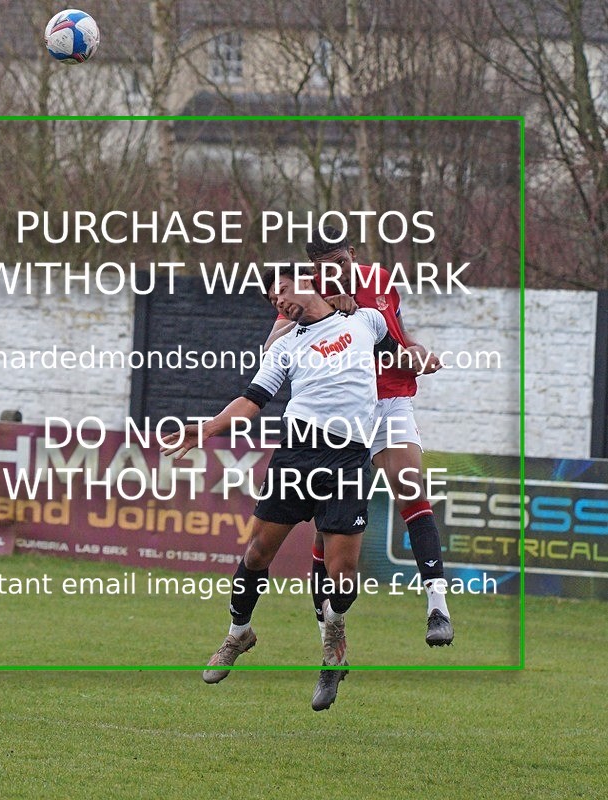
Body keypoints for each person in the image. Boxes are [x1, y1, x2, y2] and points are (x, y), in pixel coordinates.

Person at [162, 264, 421, 711]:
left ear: (307, 283)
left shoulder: (363, 321)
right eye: (272, 299)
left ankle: (332, 643)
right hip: (297, 454)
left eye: (281, 291)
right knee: (257, 553)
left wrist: (417, 354)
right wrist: (206, 428)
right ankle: (238, 634)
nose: (277, 301)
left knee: (342, 574)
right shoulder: (285, 347)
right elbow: (251, 401)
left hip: (348, 457)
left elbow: (397, 346)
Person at [265, 226, 454, 648]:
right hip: (339, 419)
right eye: (324, 267)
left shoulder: (381, 281)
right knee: (326, 530)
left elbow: (399, 342)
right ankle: (327, 633)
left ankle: (437, 606)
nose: (336, 272)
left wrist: (418, 353)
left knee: (409, 485)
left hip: (389, 400)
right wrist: (327, 311)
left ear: (353, 252)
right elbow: (271, 348)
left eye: (341, 263)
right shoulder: (306, 292)